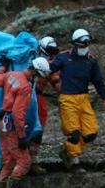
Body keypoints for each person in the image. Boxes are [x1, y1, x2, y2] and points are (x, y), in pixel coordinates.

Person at [49, 28, 105, 170]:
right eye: (82, 45)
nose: (85, 48)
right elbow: (48, 69)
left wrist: (104, 97)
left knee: (90, 133)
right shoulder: (64, 58)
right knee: (74, 132)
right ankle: (74, 160)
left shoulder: (91, 61)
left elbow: (98, 80)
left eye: (87, 45)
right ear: (75, 44)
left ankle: (67, 151)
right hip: (67, 98)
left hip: (84, 99)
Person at [0, 56, 51, 187]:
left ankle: (1, 184)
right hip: (11, 125)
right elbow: (18, 115)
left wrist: (2, 67)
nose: (39, 79)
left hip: (1, 122)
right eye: (39, 76)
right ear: (35, 72)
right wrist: (22, 137)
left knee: (10, 161)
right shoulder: (25, 87)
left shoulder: (11, 74)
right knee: (24, 162)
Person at [28, 36, 61, 174]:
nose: (51, 56)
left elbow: (56, 80)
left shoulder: (49, 65)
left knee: (38, 129)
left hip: (38, 96)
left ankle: (32, 160)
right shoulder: (26, 56)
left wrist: (67, 92)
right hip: (23, 94)